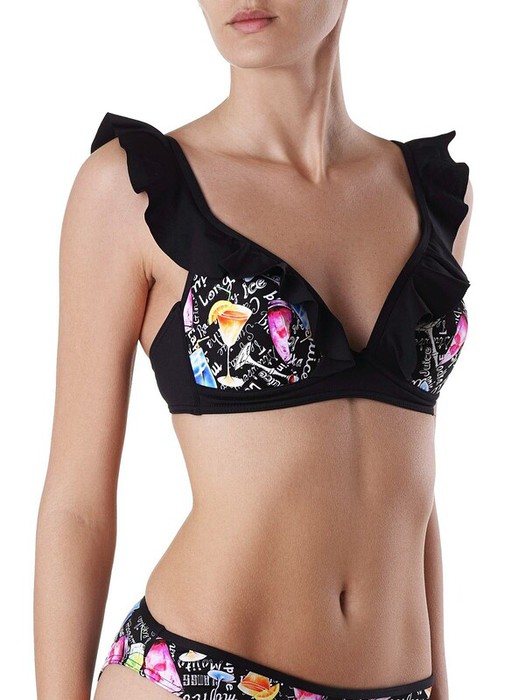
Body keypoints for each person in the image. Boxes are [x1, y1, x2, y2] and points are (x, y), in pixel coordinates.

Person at [33, 2, 473, 699]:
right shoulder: (133, 189)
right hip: (205, 673)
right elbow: (76, 505)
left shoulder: (429, 197)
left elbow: (405, 480)